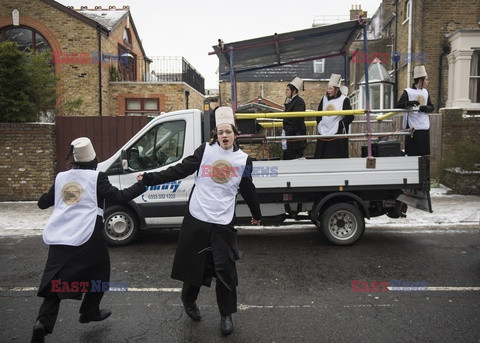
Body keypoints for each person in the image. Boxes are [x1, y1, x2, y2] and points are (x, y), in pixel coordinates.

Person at [140, 106, 262, 336]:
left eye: (229, 132)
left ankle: (226, 316)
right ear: (216, 134)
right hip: (198, 217)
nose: (225, 136)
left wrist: (256, 213)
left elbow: (248, 188)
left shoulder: (243, 160)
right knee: (193, 266)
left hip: (223, 221)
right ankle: (188, 301)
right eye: (221, 132)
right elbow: (179, 169)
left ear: (236, 134)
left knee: (224, 269)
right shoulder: (204, 151)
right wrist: (149, 178)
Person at [31, 137, 146, 343]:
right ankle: (90, 311)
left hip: (60, 237)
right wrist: (141, 185)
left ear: (73, 160)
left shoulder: (61, 177)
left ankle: (42, 323)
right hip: (87, 236)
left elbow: (42, 203)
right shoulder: (97, 178)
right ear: (93, 160)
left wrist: (51, 197)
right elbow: (118, 197)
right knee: (100, 273)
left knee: (55, 284)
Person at [396, 65, 434, 156]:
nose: (428, 82)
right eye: (426, 80)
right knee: (413, 154)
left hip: (424, 128)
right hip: (413, 128)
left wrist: (426, 108)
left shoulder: (426, 92)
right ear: (421, 80)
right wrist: (409, 103)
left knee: (424, 155)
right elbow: (398, 105)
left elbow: (432, 106)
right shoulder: (408, 92)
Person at [314, 74, 353, 159]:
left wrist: (339, 125)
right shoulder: (324, 99)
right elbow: (318, 114)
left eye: (330, 89)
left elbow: (350, 117)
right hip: (323, 133)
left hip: (336, 136)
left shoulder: (344, 100)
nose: (328, 91)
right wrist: (320, 124)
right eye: (328, 88)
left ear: (336, 89)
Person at [282, 77, 307, 160]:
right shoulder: (291, 102)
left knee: (293, 158)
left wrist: (287, 128)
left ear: (294, 91)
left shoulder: (299, 102)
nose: (286, 92)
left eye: (288, 90)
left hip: (295, 137)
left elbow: (296, 119)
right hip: (291, 135)